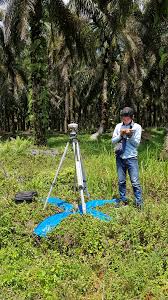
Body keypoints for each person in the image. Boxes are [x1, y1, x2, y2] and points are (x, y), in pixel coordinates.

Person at [112, 107, 143, 209]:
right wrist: (121, 135)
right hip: (120, 157)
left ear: (131, 117)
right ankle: (123, 200)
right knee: (121, 181)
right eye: (123, 118)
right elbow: (113, 141)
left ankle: (139, 204)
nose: (125, 120)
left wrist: (130, 136)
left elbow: (136, 144)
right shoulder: (118, 126)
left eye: (127, 118)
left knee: (135, 182)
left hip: (131, 157)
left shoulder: (137, 127)